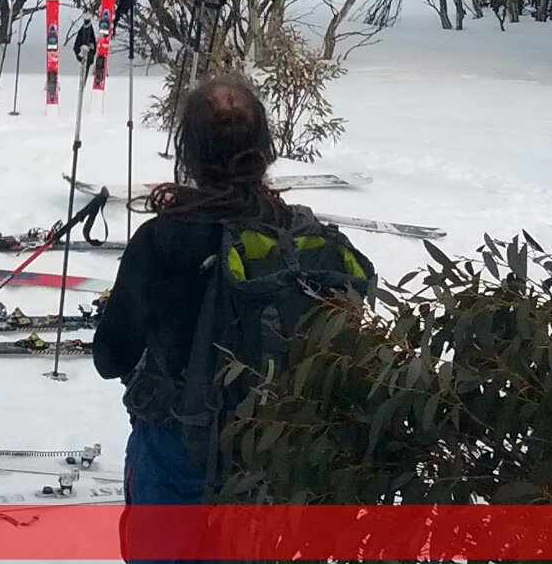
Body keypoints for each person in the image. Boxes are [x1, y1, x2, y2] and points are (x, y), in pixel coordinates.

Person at [93, 75, 374, 515]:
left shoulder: (162, 240)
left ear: (188, 151)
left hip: (176, 451)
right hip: (276, 458)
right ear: (263, 145)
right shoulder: (304, 241)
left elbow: (111, 358)